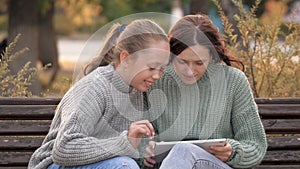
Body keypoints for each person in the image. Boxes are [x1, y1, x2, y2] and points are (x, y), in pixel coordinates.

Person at [28, 19, 170, 169]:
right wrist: (124, 143)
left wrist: (143, 152)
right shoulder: (95, 87)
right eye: (152, 67)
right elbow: (64, 149)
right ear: (126, 58)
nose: (157, 75)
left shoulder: (136, 91)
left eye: (162, 68)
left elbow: (118, 149)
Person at [143, 14, 267, 169]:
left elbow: (255, 145)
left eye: (199, 63)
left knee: (184, 151)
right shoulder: (157, 80)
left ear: (212, 56)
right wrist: (145, 150)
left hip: (217, 165)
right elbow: (141, 135)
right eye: (182, 61)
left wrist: (232, 151)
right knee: (181, 153)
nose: (189, 71)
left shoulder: (233, 81)